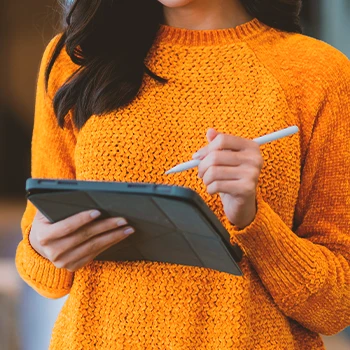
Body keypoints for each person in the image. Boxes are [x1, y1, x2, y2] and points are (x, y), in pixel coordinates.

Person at [16, 0, 350, 349]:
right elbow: (44, 273)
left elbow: (336, 308)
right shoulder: (77, 58)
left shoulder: (317, 73)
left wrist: (254, 221)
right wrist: (43, 248)